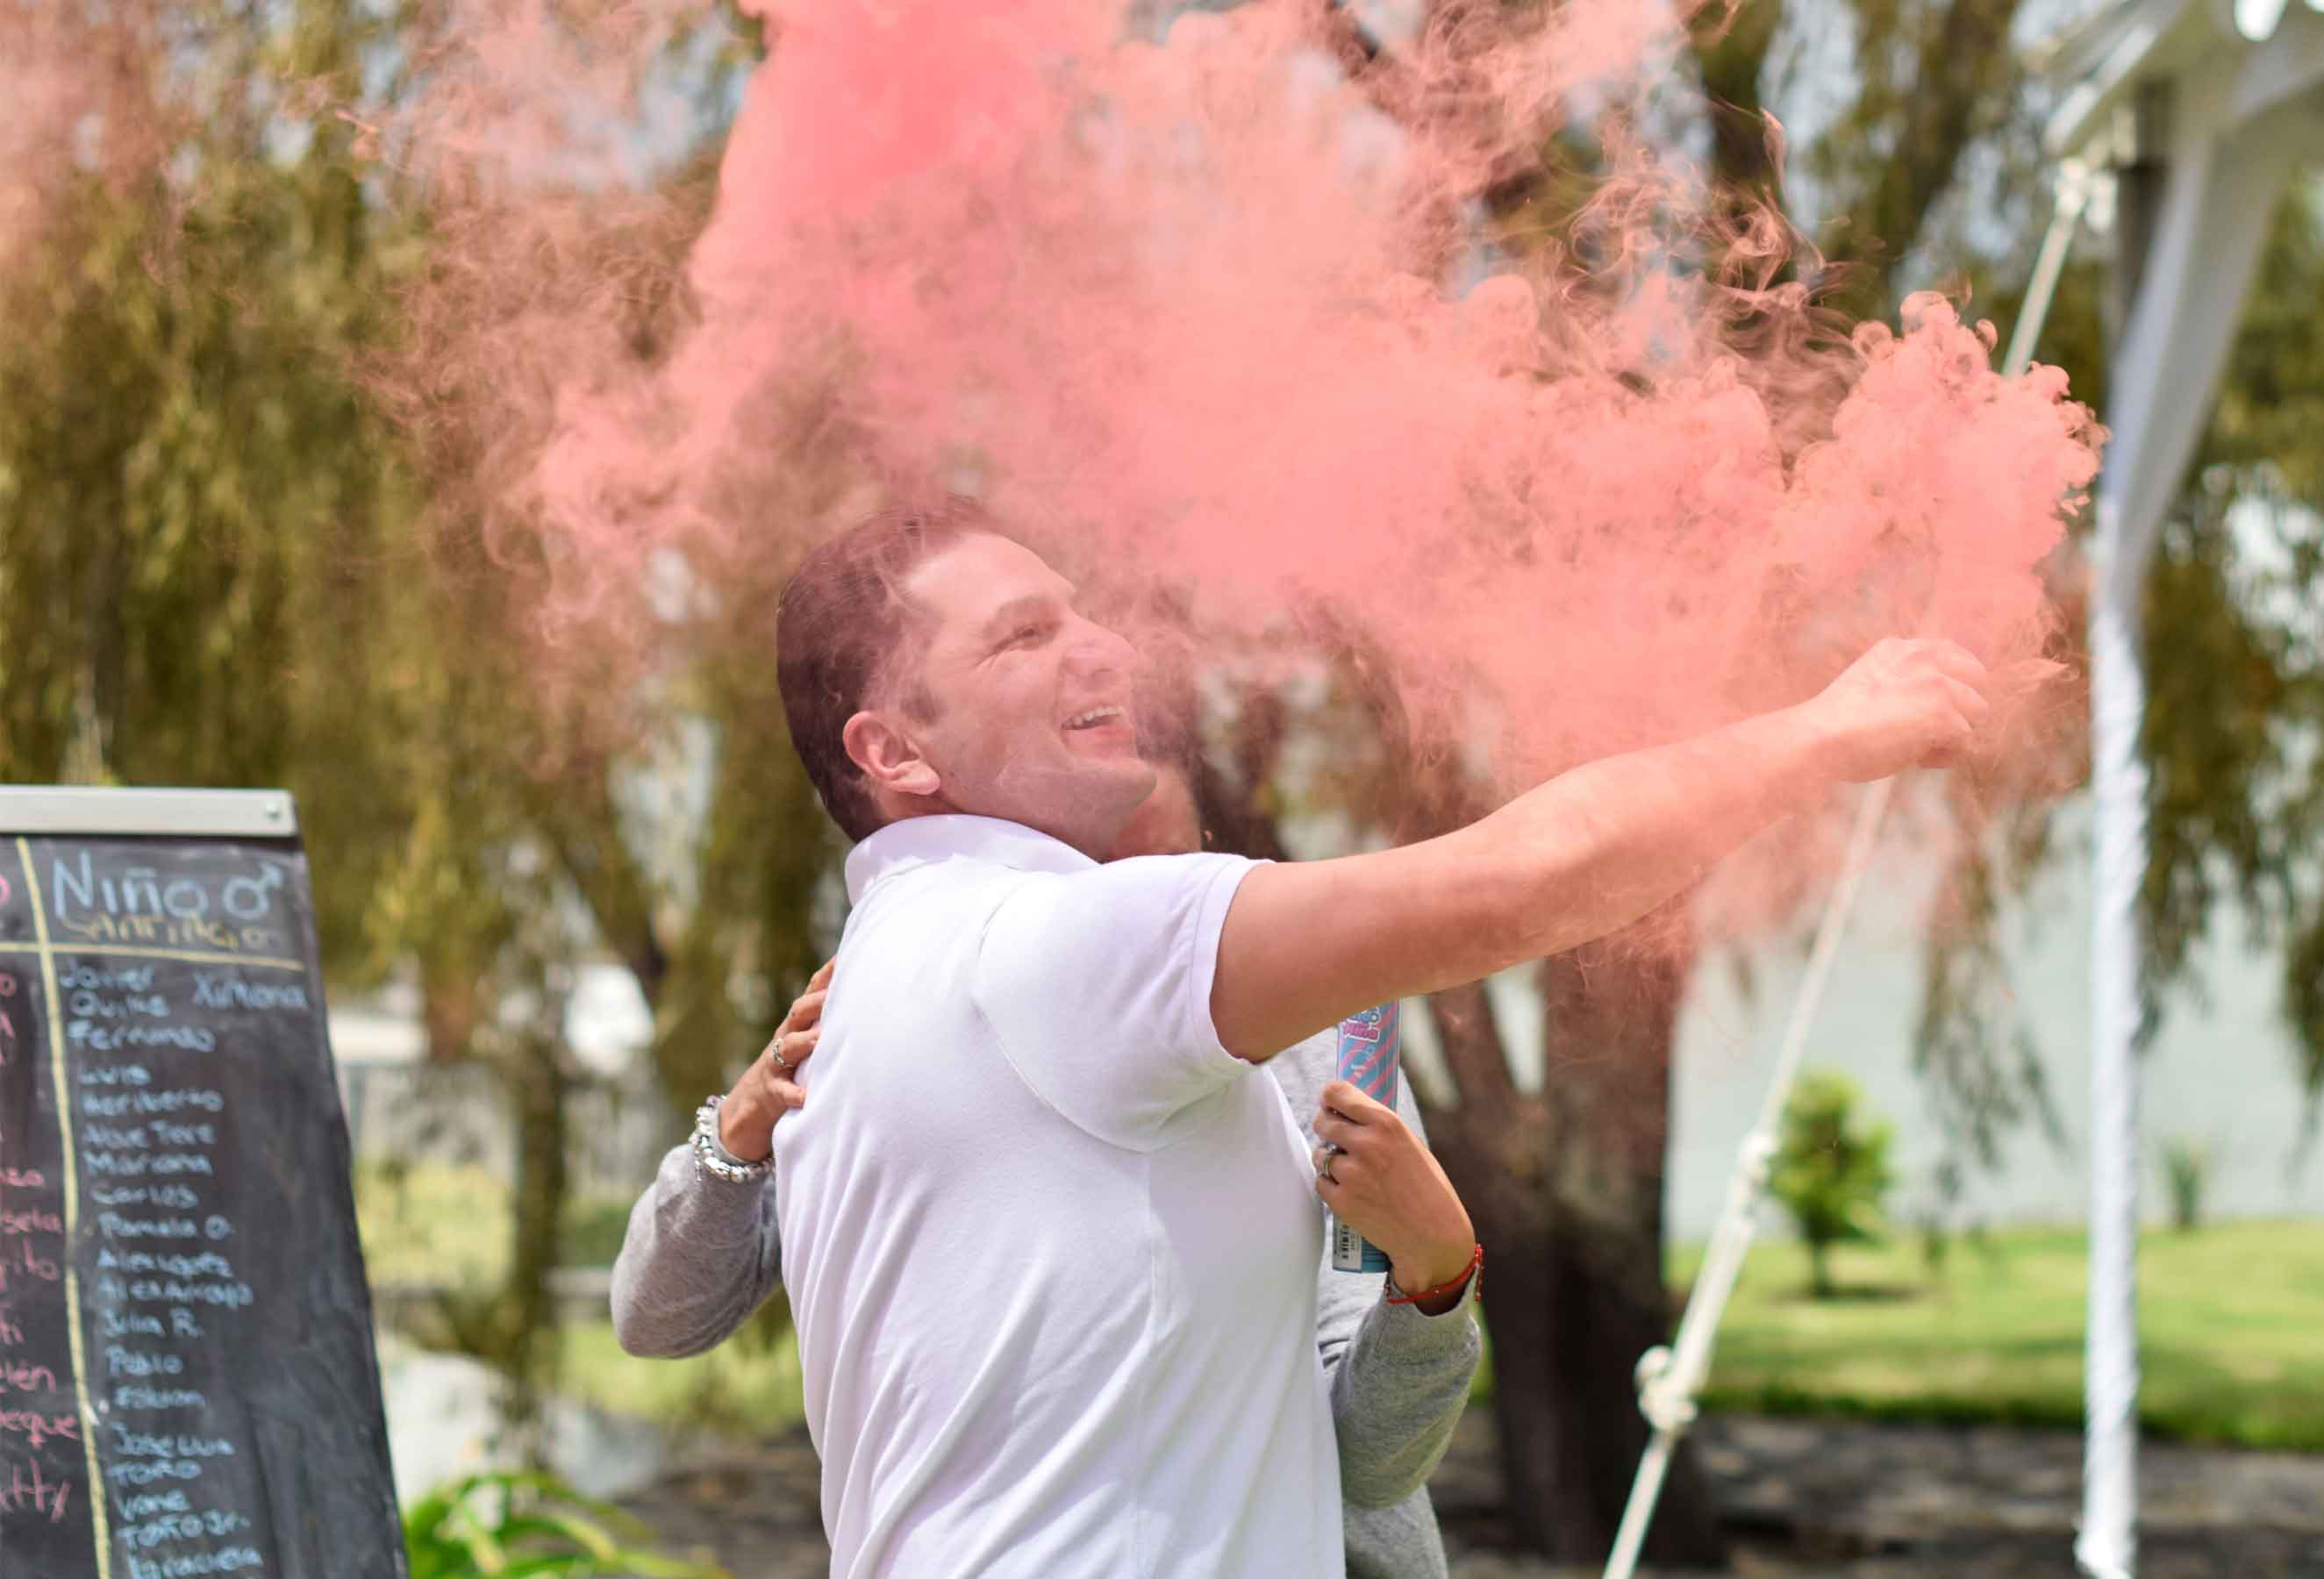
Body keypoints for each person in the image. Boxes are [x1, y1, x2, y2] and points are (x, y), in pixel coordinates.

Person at [771, 497, 1999, 1576]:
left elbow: (1348, 1447)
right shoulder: (1046, 945)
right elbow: (1521, 883)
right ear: (894, 751)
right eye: (1024, 635)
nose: (1111, 649)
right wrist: (1826, 734)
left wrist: (1431, 1280)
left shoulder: (904, 958)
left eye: (1082, 614)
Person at [611, 763, 1483, 1578]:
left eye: (1176, 887)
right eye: (1094, 883)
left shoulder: (1327, 1054)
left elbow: (1371, 1464)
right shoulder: (912, 1017)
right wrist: (740, 1130)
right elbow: (656, 1313)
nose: (1135, 924)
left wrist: (1435, 1279)